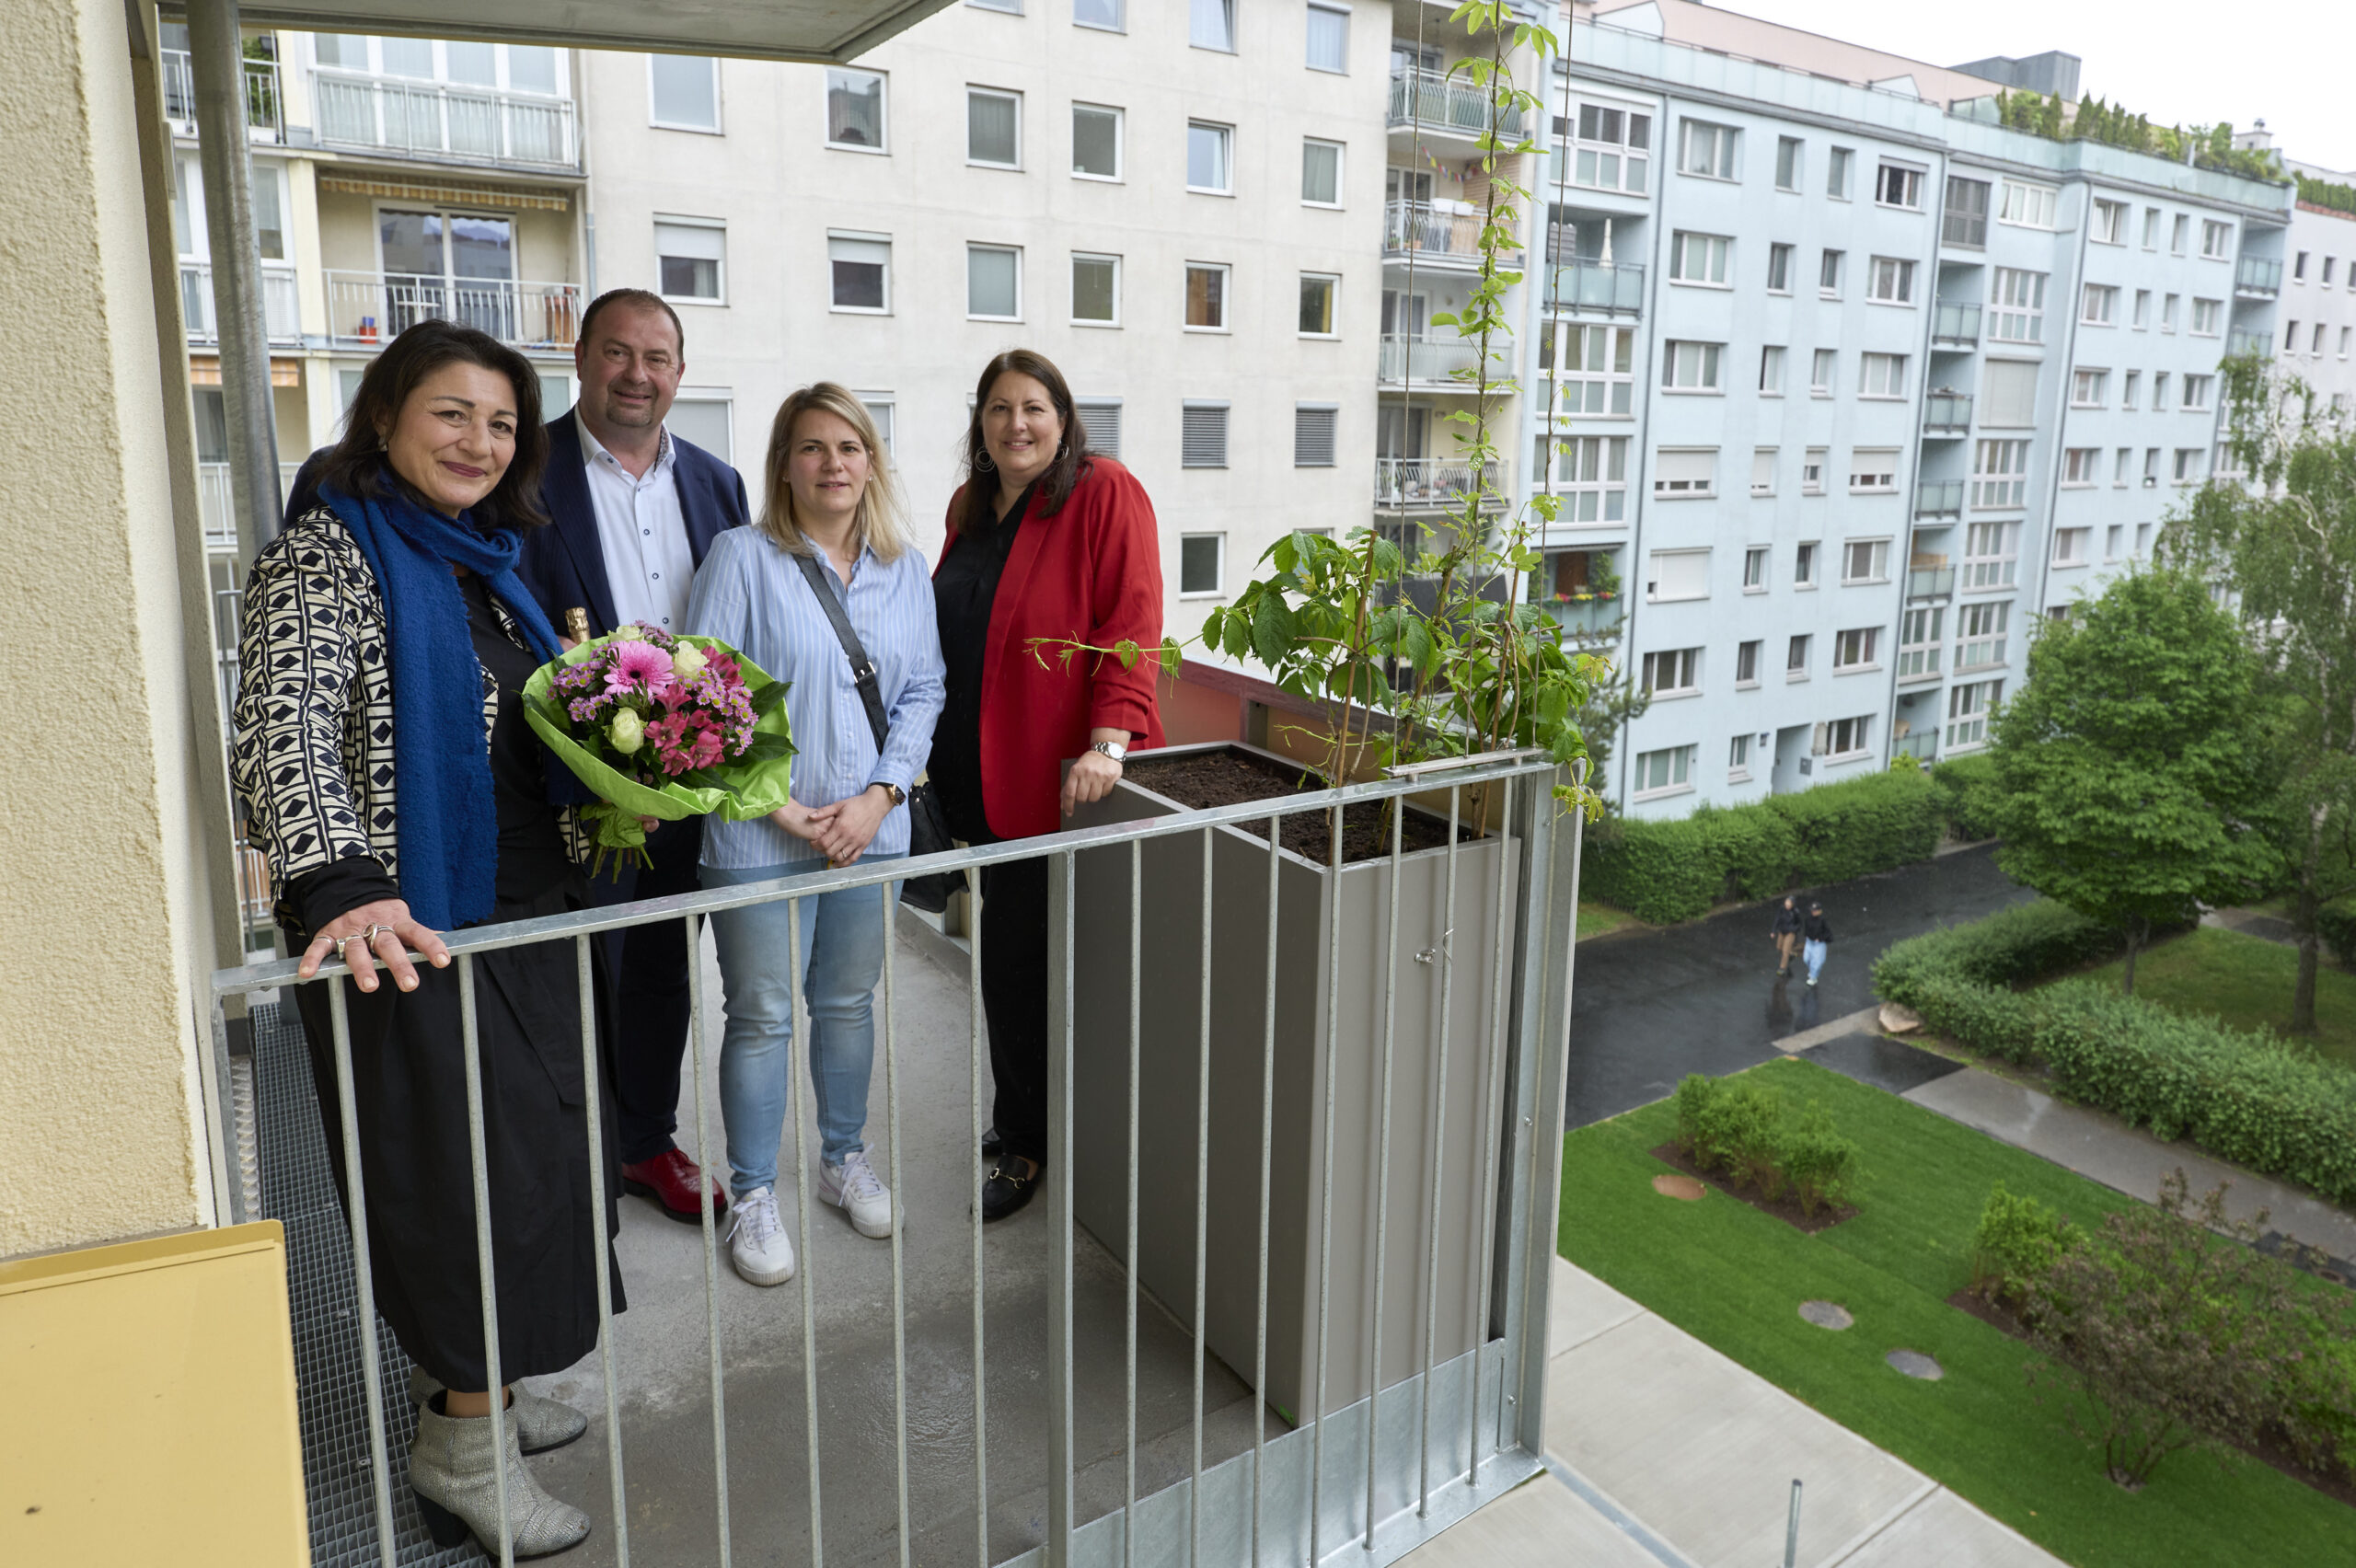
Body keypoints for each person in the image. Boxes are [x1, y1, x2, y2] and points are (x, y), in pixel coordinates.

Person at [231, 320, 616, 1557]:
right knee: (467, 1199)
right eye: (452, 413)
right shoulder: (329, 555)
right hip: (412, 932)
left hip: (522, 918)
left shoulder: (485, 563)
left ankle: (482, 1401)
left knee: (538, 1173)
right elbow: (279, 727)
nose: (480, 440)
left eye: (502, 424)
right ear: (387, 415)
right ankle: (461, 1451)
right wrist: (340, 883)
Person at [687, 384, 944, 1286]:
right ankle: (753, 1194)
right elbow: (700, 696)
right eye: (811, 447)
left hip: (872, 832)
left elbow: (923, 692)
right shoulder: (742, 556)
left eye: (848, 446)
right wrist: (785, 809)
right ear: (784, 464)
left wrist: (878, 798)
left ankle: (842, 1161)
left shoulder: (904, 567)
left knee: (847, 1003)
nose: (832, 463)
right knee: (758, 1016)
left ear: (870, 461)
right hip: (761, 838)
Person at [515, 287, 751, 1228]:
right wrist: (592, 770)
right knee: (573, 975)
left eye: (657, 358)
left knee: (660, 968)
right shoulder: (523, 472)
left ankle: (645, 1140)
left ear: (680, 374)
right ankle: (570, 1155)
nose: (637, 375)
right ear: (579, 359)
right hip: (569, 785)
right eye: (617, 353)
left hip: (691, 784)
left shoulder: (719, 484)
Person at [929, 350, 1165, 1223]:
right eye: (998, 408)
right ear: (980, 423)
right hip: (977, 780)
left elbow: (1131, 622)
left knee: (1051, 966)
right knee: (1011, 963)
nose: (1016, 424)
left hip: (1066, 783)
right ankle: (1025, 1120)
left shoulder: (1103, 492)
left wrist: (1111, 741)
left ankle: (1031, 1143)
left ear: (1064, 419)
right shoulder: (968, 507)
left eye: (1034, 407)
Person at [1802, 901, 1834, 987]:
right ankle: (1812, 972)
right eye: (1812, 910)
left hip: (1819, 944)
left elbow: (1828, 933)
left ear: (1820, 911)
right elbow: (1806, 928)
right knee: (1806, 959)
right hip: (1809, 942)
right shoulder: (1808, 918)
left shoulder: (1823, 920)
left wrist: (1820, 939)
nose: (1813, 912)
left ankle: (1813, 978)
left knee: (1817, 962)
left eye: (1815, 910)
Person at [1771, 895, 1802, 978]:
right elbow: (1777, 919)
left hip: (1790, 933)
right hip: (1782, 931)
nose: (1787, 906)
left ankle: (1782, 968)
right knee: (1779, 947)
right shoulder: (1782, 909)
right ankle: (1791, 954)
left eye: (1789, 905)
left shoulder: (1796, 912)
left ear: (1792, 905)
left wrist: (1793, 930)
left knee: (1785, 951)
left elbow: (1799, 924)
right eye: (1786, 904)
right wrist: (1773, 931)